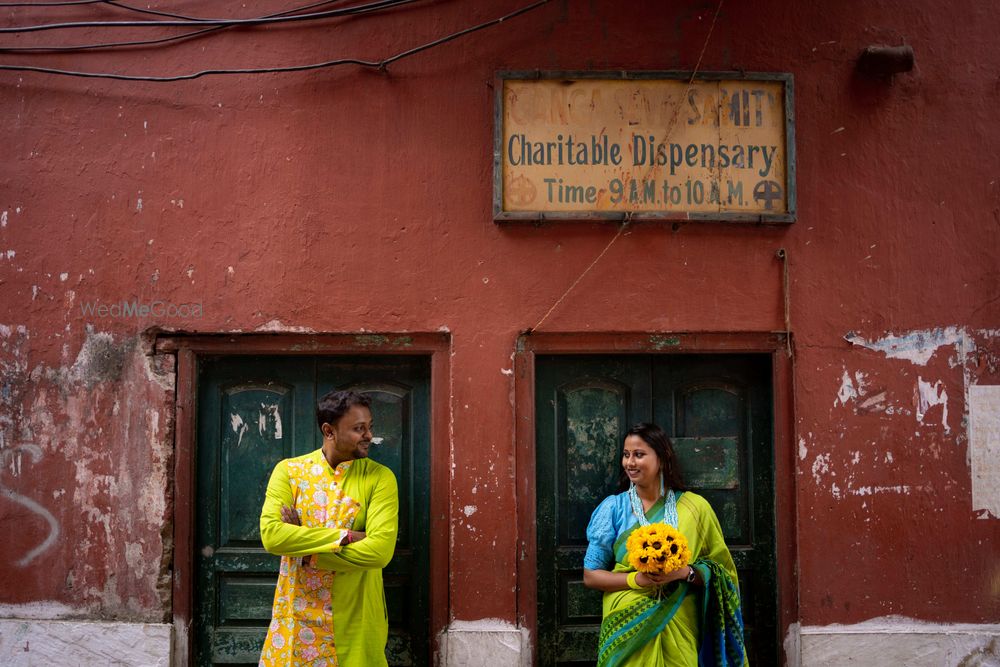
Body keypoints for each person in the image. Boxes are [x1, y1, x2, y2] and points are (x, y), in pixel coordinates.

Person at [583, 423, 746, 667]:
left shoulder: (695, 508)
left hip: (680, 619)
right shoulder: (613, 509)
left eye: (639, 454)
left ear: (662, 458)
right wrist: (636, 580)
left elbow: (724, 575)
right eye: (626, 455)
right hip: (625, 623)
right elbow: (591, 576)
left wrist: (685, 573)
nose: (630, 463)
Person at [258, 389, 399, 667]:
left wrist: (307, 551)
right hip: (297, 614)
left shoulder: (380, 478)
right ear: (329, 431)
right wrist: (345, 536)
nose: (369, 435)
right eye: (359, 429)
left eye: (370, 427)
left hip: (355, 615)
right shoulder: (289, 472)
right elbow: (273, 536)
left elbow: (380, 552)